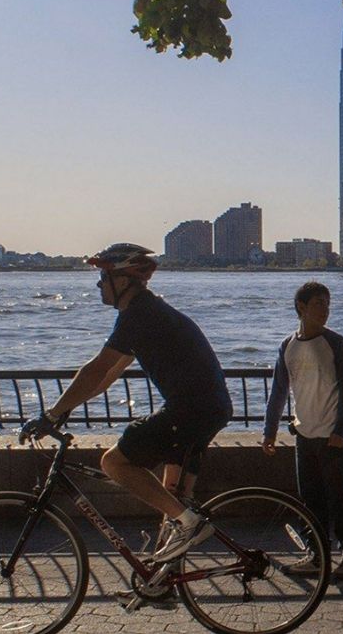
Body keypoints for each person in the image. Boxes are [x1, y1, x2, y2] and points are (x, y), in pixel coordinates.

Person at [21, 243, 233, 606]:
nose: (99, 284)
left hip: (191, 410)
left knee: (114, 463)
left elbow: (97, 368)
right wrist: (67, 407)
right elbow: (107, 378)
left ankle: (191, 525)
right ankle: (161, 583)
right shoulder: (147, 313)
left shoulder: (139, 315)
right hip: (205, 408)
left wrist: (51, 415)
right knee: (174, 503)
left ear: (123, 281)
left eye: (103, 277)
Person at [264, 281, 343, 579]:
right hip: (304, 433)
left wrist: (341, 431)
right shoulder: (287, 346)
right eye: (319, 303)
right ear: (301, 307)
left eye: (328, 304)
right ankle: (317, 554)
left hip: (331, 435)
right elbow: (279, 391)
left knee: (340, 497)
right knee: (310, 500)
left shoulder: (336, 343)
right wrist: (269, 430)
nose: (325, 310)